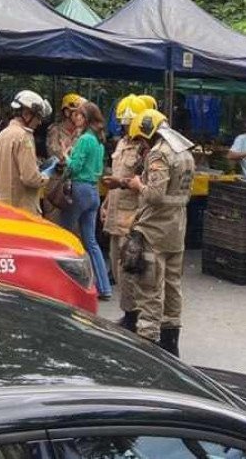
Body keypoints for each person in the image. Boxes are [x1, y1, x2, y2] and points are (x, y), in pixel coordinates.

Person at [124, 110, 195, 357]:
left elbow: (154, 195)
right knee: (173, 286)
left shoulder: (159, 153)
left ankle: (148, 348)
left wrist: (137, 185)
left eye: (141, 139)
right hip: (177, 229)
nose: (141, 145)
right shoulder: (184, 151)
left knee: (149, 288)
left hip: (155, 231)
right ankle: (171, 345)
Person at [102, 110, 152, 331]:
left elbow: (144, 183)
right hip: (115, 214)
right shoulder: (122, 143)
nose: (124, 128)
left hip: (131, 216)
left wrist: (120, 183)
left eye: (127, 124)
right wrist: (106, 203)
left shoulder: (145, 149)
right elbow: (116, 174)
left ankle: (133, 316)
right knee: (116, 266)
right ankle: (127, 312)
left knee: (128, 269)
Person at [60, 101, 112, 301]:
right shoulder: (99, 140)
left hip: (79, 189)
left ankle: (65, 281)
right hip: (93, 191)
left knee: (64, 235)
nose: (76, 118)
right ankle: (104, 287)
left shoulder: (84, 139)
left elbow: (74, 167)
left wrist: (66, 156)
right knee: (91, 241)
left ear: (88, 118)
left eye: (80, 115)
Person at [0, 90, 51, 215]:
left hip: (1, 207)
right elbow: (30, 178)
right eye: (38, 117)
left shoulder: (1, 135)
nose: (39, 122)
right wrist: (46, 175)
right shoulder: (24, 137)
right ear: (27, 114)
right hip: (22, 209)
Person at [47, 93, 83, 162]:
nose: (80, 117)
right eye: (77, 113)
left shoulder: (81, 131)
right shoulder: (55, 131)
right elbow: (56, 157)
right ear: (67, 112)